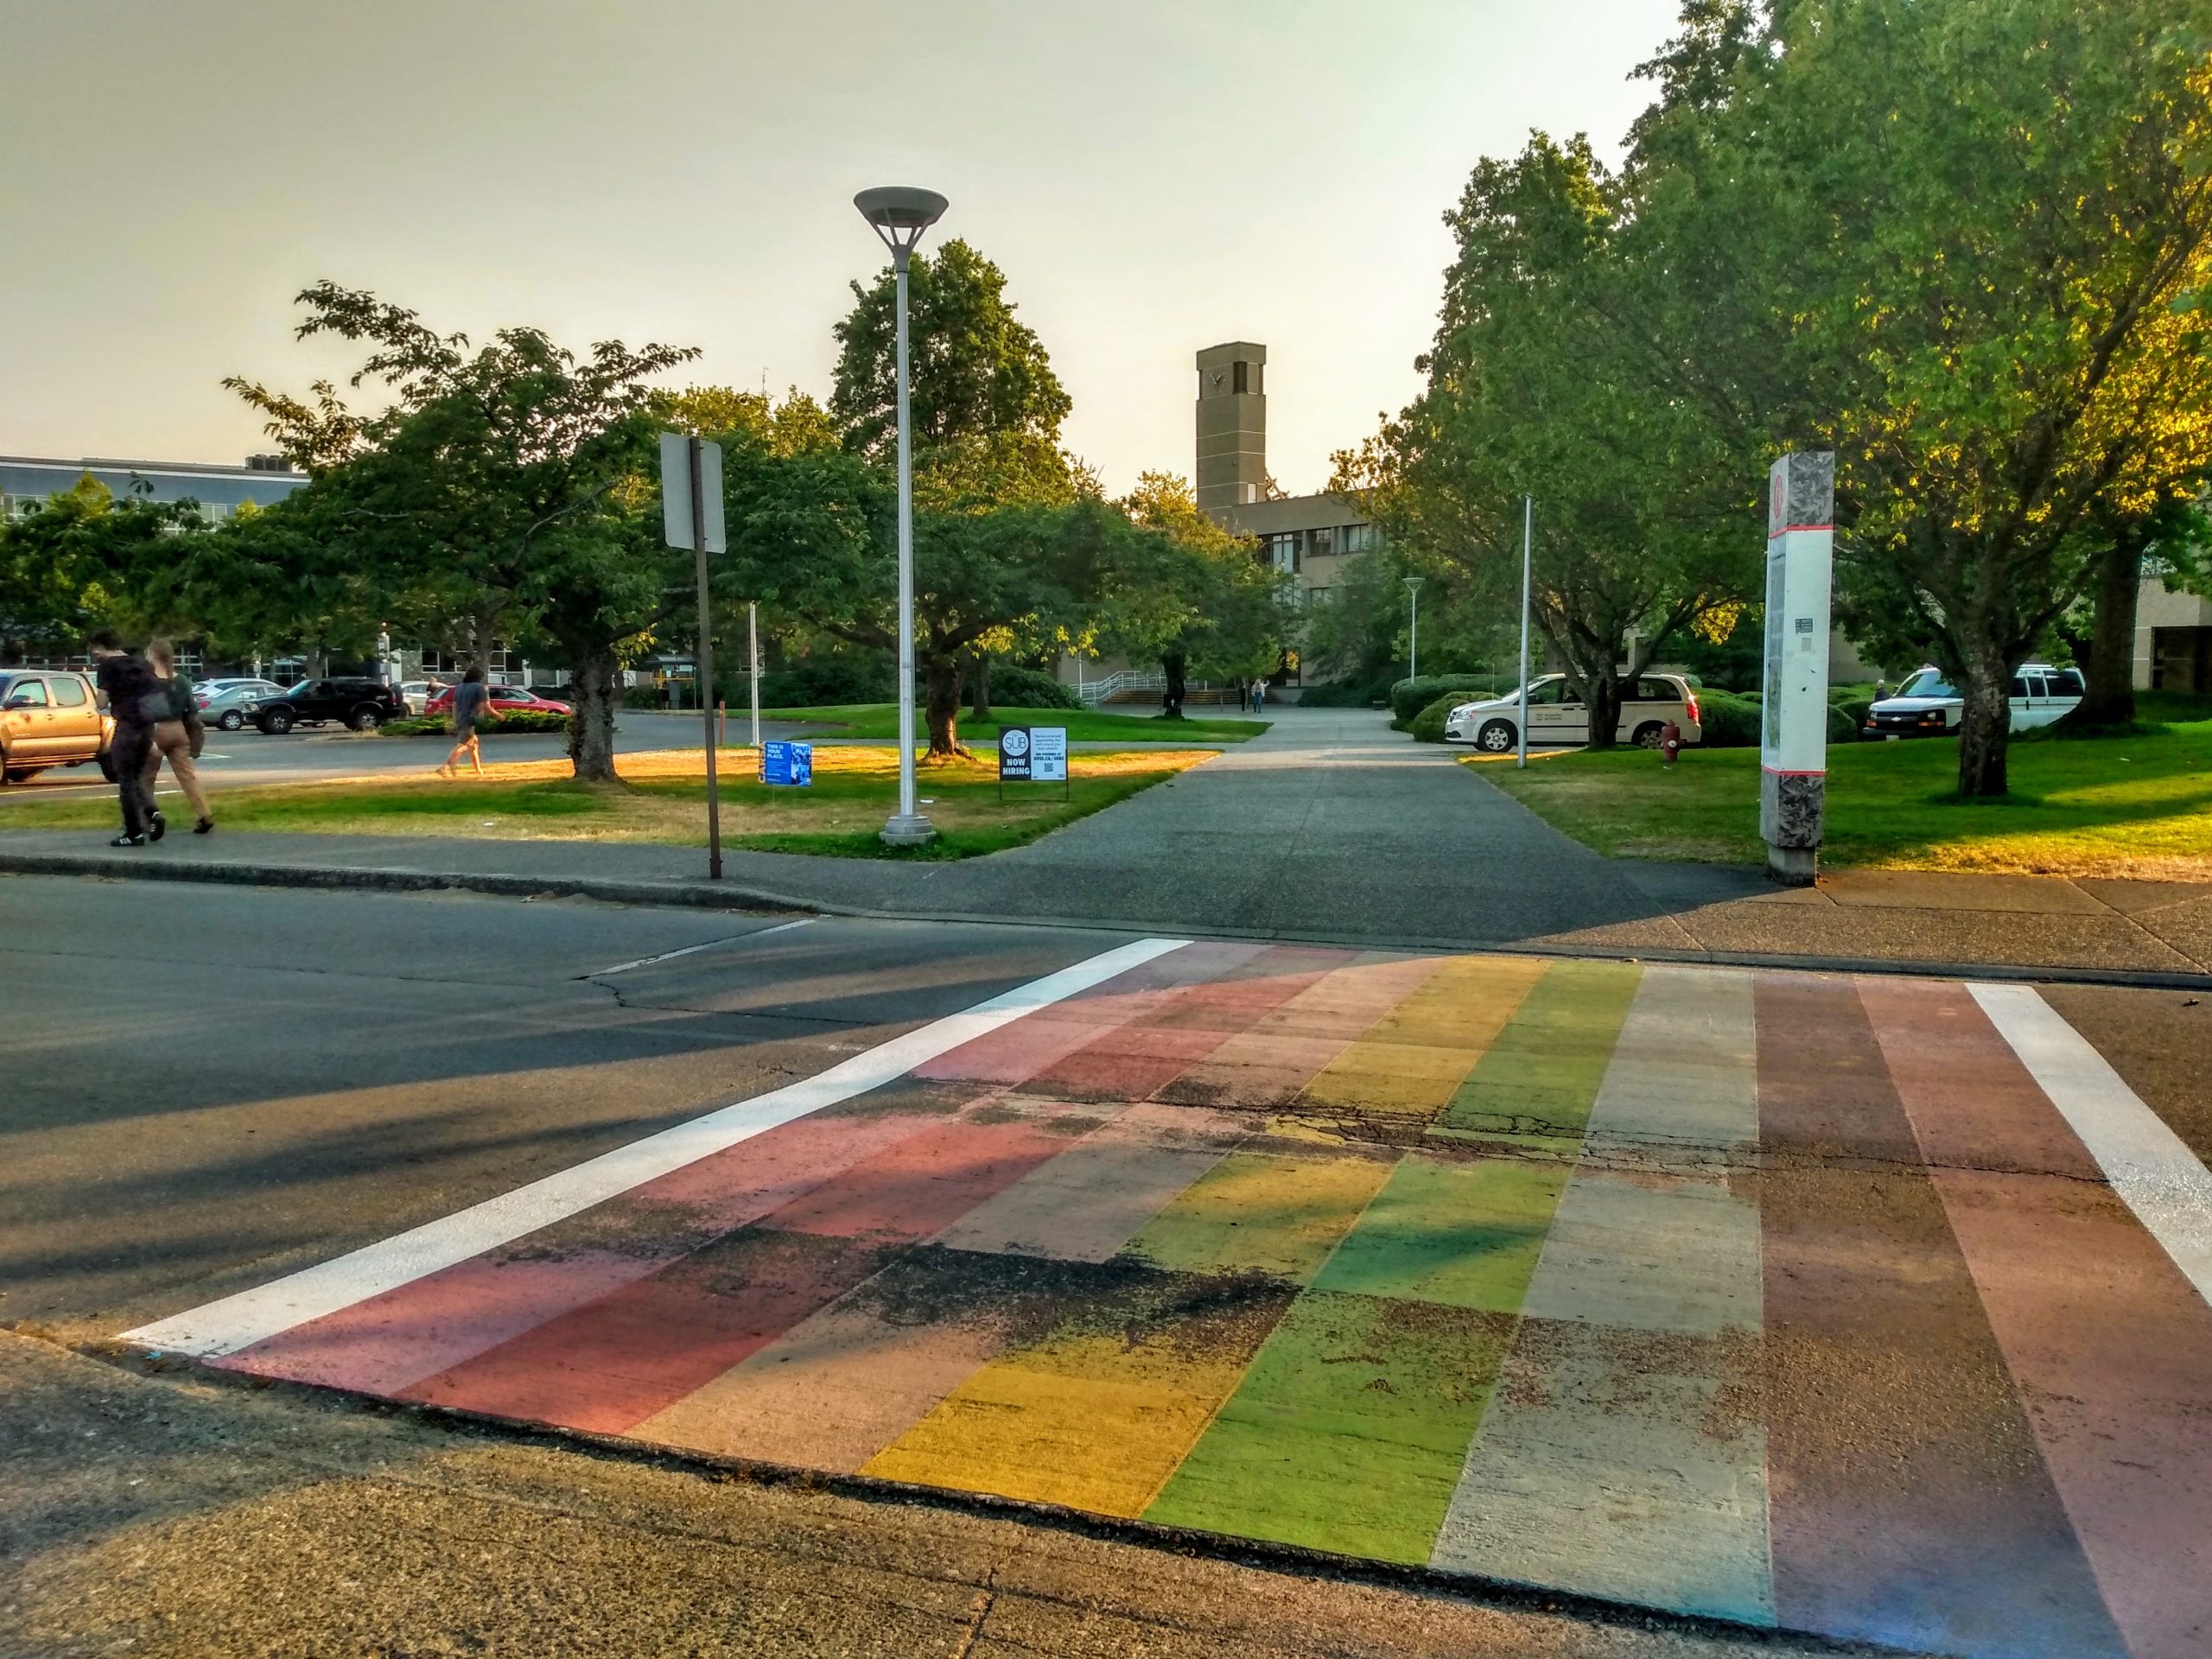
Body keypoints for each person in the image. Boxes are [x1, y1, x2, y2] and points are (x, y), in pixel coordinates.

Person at [87, 628, 162, 846]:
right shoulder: (142, 664)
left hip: (127, 729)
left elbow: (101, 703)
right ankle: (153, 813)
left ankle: (133, 833)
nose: (94, 653)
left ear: (99, 646)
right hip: (147, 727)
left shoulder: (107, 667)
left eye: (94, 648)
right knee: (136, 775)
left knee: (125, 782)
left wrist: (103, 696)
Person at [141, 638, 213, 834]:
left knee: (147, 778)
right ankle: (203, 814)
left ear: (154, 655)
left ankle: (146, 820)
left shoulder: (147, 680)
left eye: (148, 653)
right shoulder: (180, 680)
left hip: (156, 730)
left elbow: (143, 709)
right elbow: (192, 709)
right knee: (187, 776)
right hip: (178, 729)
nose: (145, 657)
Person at [437, 666, 490, 778]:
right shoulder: (479, 687)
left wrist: (456, 720)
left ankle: (479, 771)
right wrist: (496, 715)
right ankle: (445, 766)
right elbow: (483, 704)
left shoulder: (459, 687)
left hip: (461, 718)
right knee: (464, 744)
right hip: (469, 719)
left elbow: (455, 705)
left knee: (474, 745)